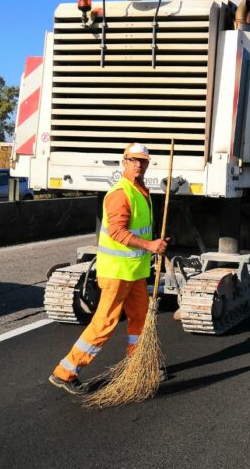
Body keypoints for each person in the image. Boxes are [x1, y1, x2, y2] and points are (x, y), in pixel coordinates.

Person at [49, 143, 169, 394]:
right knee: (105, 322)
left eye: (143, 161)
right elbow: (116, 232)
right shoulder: (120, 193)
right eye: (134, 160)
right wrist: (149, 244)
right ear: (123, 162)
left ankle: (139, 364)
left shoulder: (141, 191)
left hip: (135, 271)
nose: (139, 165)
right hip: (117, 272)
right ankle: (66, 371)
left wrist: (152, 247)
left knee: (141, 318)